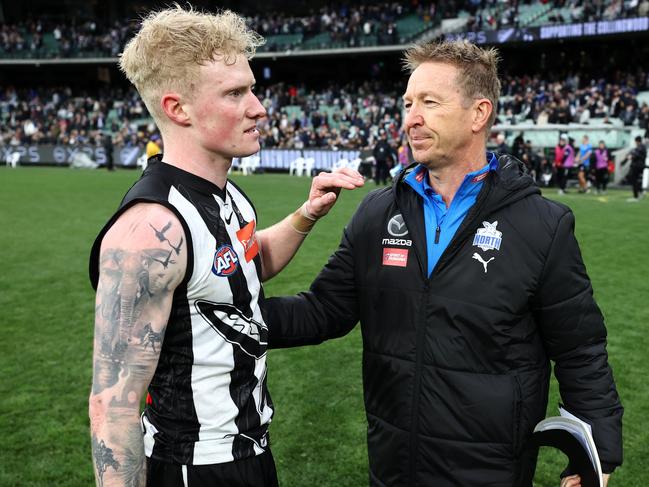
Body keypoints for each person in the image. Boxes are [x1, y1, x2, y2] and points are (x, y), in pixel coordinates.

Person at [262, 40, 623, 486]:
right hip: (394, 466)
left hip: (489, 472)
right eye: (408, 103)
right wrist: (220, 315)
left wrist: (596, 457)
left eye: (429, 103)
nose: (411, 117)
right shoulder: (377, 213)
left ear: (479, 113)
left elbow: (579, 349)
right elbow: (322, 311)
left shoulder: (542, 225)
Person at [87, 7, 364, 487]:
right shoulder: (151, 231)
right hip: (193, 466)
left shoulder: (228, 194)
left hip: (252, 451)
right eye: (236, 93)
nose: (258, 107)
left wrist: (306, 214)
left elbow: (241, 265)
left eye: (252, 88)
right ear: (178, 109)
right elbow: (113, 406)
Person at [626, 135, 647, 201]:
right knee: (636, 180)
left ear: (636, 141)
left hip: (637, 166)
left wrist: (631, 156)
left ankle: (636, 196)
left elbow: (636, 155)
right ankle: (640, 192)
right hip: (639, 166)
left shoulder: (640, 147)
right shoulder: (641, 147)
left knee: (634, 180)